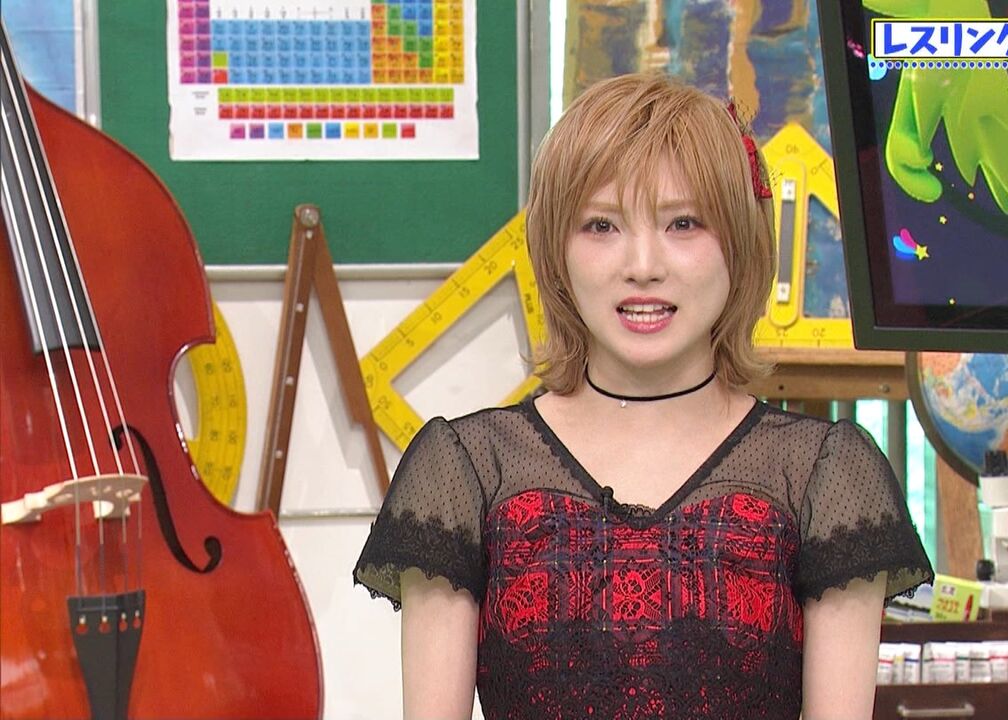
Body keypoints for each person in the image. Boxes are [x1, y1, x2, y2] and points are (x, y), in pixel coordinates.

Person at [353, 72, 933, 720]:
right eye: (601, 225)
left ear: (742, 242)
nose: (643, 265)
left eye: (683, 223)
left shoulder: (825, 473)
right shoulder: (466, 468)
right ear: (556, 252)